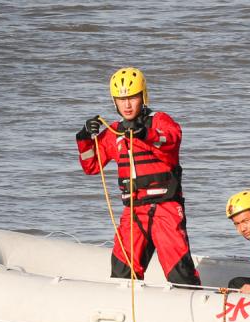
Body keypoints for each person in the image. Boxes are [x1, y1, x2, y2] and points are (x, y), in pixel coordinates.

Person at [75, 67, 201, 285]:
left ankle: (192, 298)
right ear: (114, 101)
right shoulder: (114, 132)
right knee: (122, 269)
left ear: (143, 96)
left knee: (179, 272)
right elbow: (91, 166)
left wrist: (145, 133)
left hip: (166, 208)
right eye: (121, 99)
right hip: (134, 211)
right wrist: (84, 137)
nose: (127, 105)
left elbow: (171, 138)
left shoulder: (159, 120)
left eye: (132, 98)